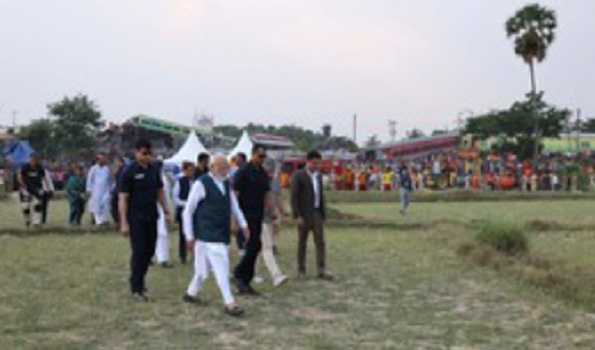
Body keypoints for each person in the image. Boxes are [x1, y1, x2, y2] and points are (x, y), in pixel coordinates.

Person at [182, 155, 249, 317]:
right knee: (222, 268)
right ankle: (229, 302)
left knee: (201, 269)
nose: (226, 170)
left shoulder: (226, 183)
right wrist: (189, 235)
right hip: (206, 234)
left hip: (221, 232)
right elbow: (188, 211)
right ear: (213, 167)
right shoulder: (201, 183)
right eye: (223, 167)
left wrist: (244, 225)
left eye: (227, 167)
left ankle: (190, 294)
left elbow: (235, 206)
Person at [119, 139, 171, 302]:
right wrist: (123, 223)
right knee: (140, 251)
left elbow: (160, 191)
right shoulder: (129, 171)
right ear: (136, 153)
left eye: (149, 153)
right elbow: (123, 198)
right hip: (136, 218)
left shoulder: (154, 169)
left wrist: (166, 210)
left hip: (152, 216)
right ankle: (137, 287)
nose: (147, 156)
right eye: (144, 153)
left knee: (149, 252)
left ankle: (139, 280)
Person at [233, 145, 274, 295]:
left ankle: (244, 279)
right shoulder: (243, 171)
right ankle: (239, 274)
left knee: (256, 246)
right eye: (260, 156)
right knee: (253, 245)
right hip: (244, 215)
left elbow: (267, 192)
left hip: (258, 214)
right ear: (253, 155)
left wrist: (272, 210)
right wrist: (234, 218)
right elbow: (235, 195)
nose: (262, 159)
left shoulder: (262, 172)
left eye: (264, 157)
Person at [291, 150, 333, 281]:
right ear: (308, 161)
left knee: (320, 242)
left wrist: (323, 214)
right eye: (314, 163)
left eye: (318, 164)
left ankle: (321, 269)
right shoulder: (298, 175)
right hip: (303, 214)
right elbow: (294, 197)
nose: (317, 166)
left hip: (316, 213)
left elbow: (321, 196)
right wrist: (297, 215)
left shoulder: (318, 176)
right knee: (302, 243)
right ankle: (301, 270)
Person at [260, 160, 288, 287]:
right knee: (267, 248)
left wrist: (279, 213)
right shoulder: (259, 181)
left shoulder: (274, 181)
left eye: (273, 171)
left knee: (257, 248)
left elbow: (277, 198)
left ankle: (247, 273)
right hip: (260, 219)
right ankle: (276, 275)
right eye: (269, 171)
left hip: (269, 218)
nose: (271, 174)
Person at [18, 154, 51, 227]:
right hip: (26, 188)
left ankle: (36, 222)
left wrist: (47, 188)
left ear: (37, 160)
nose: (33, 162)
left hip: (37, 188)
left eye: (35, 160)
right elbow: (20, 176)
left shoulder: (40, 168)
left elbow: (44, 178)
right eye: (32, 160)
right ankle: (27, 219)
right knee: (25, 206)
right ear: (29, 160)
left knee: (38, 204)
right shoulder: (25, 167)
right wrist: (22, 184)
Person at [173, 161, 195, 264]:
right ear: (184, 170)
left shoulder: (196, 181)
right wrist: (186, 204)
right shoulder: (179, 182)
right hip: (183, 211)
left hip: (195, 212)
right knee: (183, 234)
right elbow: (175, 198)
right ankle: (183, 256)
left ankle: (195, 254)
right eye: (190, 170)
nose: (192, 172)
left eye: (192, 170)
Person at [154, 160, 173, 268]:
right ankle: (162, 258)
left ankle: (161, 258)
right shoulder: (158, 178)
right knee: (161, 234)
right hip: (156, 208)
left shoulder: (163, 178)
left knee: (161, 234)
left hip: (162, 207)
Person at [87, 153, 114, 226]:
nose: (103, 160)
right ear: (97, 160)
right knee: (96, 206)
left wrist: (111, 189)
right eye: (101, 159)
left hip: (106, 190)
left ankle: (104, 220)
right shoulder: (93, 168)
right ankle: (98, 222)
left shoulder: (107, 168)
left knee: (106, 204)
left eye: (104, 158)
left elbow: (110, 180)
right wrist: (89, 189)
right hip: (96, 191)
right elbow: (89, 180)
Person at [111, 156, 126, 228]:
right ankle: (117, 222)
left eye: (117, 162)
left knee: (122, 207)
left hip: (123, 191)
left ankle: (122, 222)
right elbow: (114, 178)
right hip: (117, 189)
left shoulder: (125, 169)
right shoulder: (118, 169)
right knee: (114, 206)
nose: (116, 163)